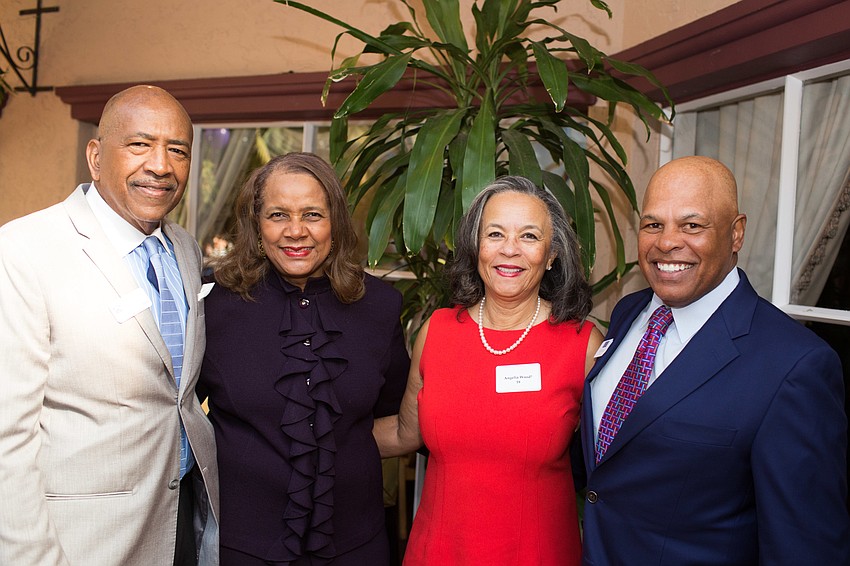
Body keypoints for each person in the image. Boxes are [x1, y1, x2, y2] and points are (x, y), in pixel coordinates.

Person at [580, 156, 850, 565]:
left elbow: (805, 546)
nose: (667, 242)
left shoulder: (795, 366)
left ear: (736, 233)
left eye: (692, 225)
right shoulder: (629, 311)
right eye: (653, 224)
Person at [0, 85, 219, 565]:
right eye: (140, 145)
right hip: (79, 542)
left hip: (180, 521)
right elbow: (6, 437)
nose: (161, 165)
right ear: (96, 157)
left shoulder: (183, 246)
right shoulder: (23, 250)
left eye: (177, 150)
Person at [375, 176, 603, 565]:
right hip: (438, 553)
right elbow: (403, 433)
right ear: (476, 247)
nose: (509, 250)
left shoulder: (583, 344)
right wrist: (306, 436)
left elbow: (617, 460)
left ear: (551, 255)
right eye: (495, 234)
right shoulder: (437, 331)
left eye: (529, 237)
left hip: (538, 555)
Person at [198, 152, 410, 565]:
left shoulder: (380, 307)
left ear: (335, 224)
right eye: (278, 215)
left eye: (313, 214)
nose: (296, 231)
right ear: (257, 227)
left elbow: (394, 416)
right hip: (243, 546)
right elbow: (179, 413)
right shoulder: (214, 307)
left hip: (357, 545)